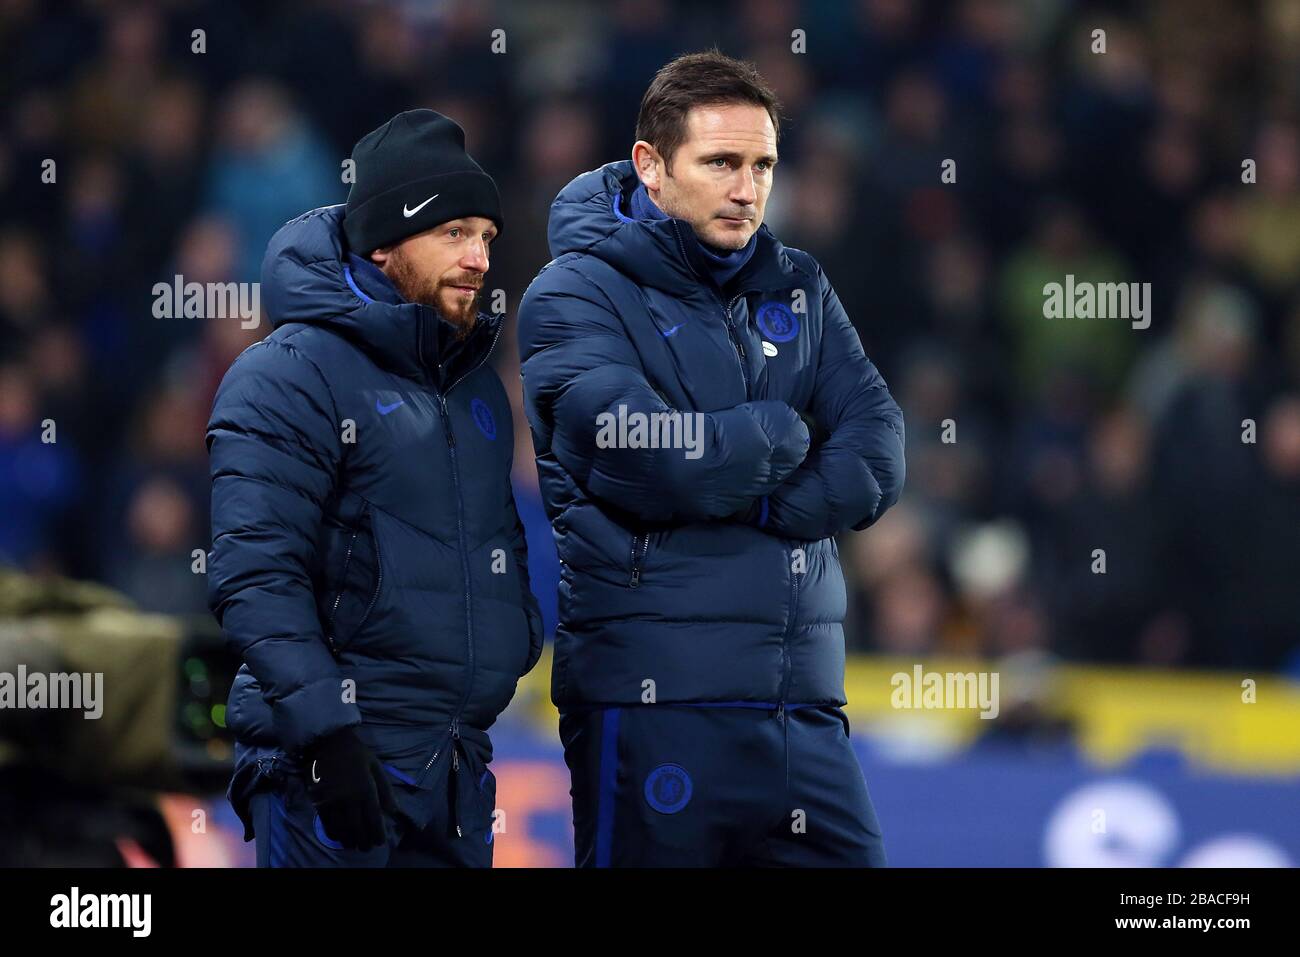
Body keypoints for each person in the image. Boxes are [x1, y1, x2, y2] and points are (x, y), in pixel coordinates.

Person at [517, 52, 906, 867]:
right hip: (657, 703)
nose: (747, 188)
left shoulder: (801, 284)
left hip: (803, 707)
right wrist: (781, 434)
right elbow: (648, 452)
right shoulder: (574, 293)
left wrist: (764, 499)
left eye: (763, 164)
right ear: (650, 167)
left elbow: (879, 450)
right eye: (721, 162)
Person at [207, 109, 543, 867]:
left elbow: (500, 547)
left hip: (456, 774)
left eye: (487, 237)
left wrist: (512, 640)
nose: (479, 257)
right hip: (331, 775)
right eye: (454, 232)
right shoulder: (288, 373)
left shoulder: (478, 392)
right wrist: (327, 737)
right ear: (386, 242)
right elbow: (256, 575)